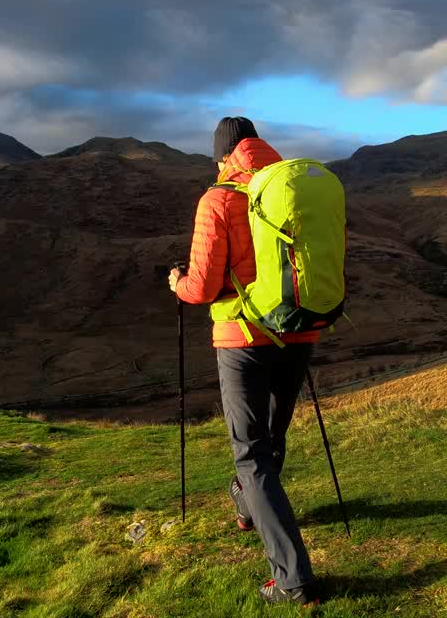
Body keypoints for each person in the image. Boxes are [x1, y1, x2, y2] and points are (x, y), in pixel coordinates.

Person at [168, 116, 321, 607]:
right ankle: (248, 506)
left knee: (251, 455)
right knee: (270, 441)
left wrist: (176, 283)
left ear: (221, 156)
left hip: (242, 338)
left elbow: (203, 287)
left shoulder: (218, 199)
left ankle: (293, 579)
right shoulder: (293, 191)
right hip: (298, 333)